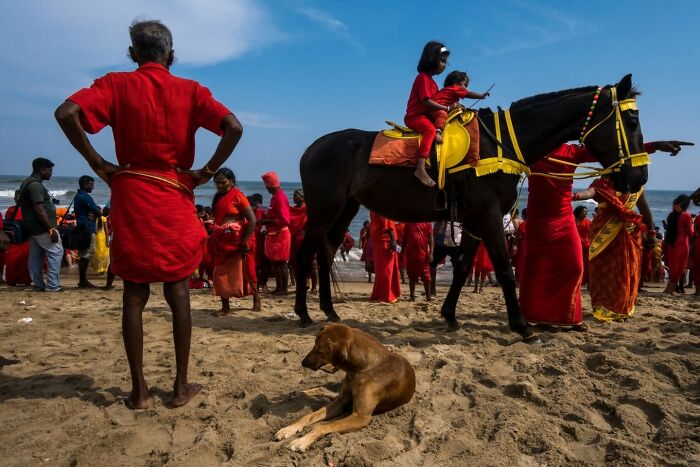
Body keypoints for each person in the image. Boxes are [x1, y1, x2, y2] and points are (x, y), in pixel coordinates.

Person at [55, 20, 242, 409]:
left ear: (132, 53)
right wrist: (206, 172)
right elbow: (233, 128)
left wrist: (98, 162)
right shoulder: (190, 91)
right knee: (178, 290)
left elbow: (66, 112)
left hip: (133, 194)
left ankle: (139, 392)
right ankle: (179, 388)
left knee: (134, 293)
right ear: (171, 56)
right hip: (174, 194)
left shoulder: (114, 84)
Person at [208, 168, 260, 313]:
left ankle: (256, 299)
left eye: (222, 182)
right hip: (221, 241)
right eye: (217, 183)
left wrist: (245, 240)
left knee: (247, 270)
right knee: (220, 272)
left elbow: (252, 220)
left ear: (232, 181)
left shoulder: (238, 196)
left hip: (238, 240)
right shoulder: (217, 198)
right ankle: (225, 306)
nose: (219, 185)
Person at [404, 41, 449, 187]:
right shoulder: (422, 78)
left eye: (445, 62)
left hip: (426, 117)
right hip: (415, 117)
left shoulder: (434, 83)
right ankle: (420, 168)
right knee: (429, 130)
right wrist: (446, 107)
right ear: (432, 58)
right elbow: (426, 102)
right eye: (442, 61)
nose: (444, 65)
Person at [19, 157, 63, 292]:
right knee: (56, 252)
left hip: (33, 227)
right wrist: (50, 228)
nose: (51, 173)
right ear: (41, 170)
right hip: (41, 227)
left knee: (36, 256)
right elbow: (39, 209)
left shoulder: (28, 183)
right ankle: (53, 285)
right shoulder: (35, 186)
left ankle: (38, 285)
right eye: (49, 170)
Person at [430, 70, 488, 165]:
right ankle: (437, 132)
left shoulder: (448, 91)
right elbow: (469, 94)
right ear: (456, 83)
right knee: (442, 115)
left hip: (436, 108)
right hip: (438, 109)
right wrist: (481, 96)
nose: (465, 88)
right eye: (464, 85)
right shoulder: (454, 88)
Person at [259, 172, 291, 294]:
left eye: (266, 185)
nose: (266, 188)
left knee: (281, 263)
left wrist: (266, 220)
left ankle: (284, 289)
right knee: (277, 262)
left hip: (281, 234)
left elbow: (285, 220)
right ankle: (279, 288)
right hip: (275, 234)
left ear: (269, 185)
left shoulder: (280, 198)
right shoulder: (276, 197)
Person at [74, 175, 102, 288]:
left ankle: (83, 280)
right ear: (85, 185)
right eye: (91, 184)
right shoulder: (84, 197)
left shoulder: (79, 196)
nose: (93, 187)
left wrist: (95, 212)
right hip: (87, 229)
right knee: (86, 254)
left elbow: (97, 210)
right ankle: (83, 280)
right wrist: (96, 212)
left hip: (83, 228)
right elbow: (98, 211)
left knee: (85, 253)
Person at [663, 195, 693, 295]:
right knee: (680, 268)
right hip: (682, 243)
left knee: (673, 267)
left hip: (672, 243)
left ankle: (668, 289)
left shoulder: (671, 216)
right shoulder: (686, 215)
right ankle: (670, 290)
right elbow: (690, 233)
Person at [369, 211, 401, 303]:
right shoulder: (380, 207)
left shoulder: (373, 207)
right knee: (386, 269)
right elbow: (388, 223)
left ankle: (380, 294)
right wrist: (393, 240)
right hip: (384, 240)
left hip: (379, 240)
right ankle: (386, 295)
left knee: (382, 269)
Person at [4, 191, 31, 286]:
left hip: (15, 239)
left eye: (16, 197)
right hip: (24, 238)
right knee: (23, 261)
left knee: (14, 261)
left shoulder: (12, 209)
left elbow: (7, 222)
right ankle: (24, 280)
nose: (15, 199)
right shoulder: (28, 210)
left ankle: (12, 280)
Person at [404, 222, 433, 301]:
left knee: (426, 277)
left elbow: (430, 238)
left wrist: (431, 253)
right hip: (410, 254)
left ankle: (428, 296)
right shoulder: (408, 223)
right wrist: (402, 252)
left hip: (423, 254)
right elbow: (405, 239)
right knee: (411, 276)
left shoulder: (427, 223)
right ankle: (412, 296)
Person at [288, 189, 307, 286]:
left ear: (303, 197)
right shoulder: (292, 209)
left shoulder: (307, 209)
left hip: (303, 238)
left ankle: (309, 285)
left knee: (306, 263)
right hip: (293, 238)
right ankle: (299, 284)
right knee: (294, 263)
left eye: (296, 195)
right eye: (293, 195)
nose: (294, 197)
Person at [574, 206, 592, 286]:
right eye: (584, 211)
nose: (586, 213)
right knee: (576, 264)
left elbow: (593, 232)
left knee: (587, 265)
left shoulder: (588, 222)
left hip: (586, 246)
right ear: (579, 212)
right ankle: (577, 281)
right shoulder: (572, 221)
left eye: (586, 211)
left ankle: (588, 282)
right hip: (575, 246)